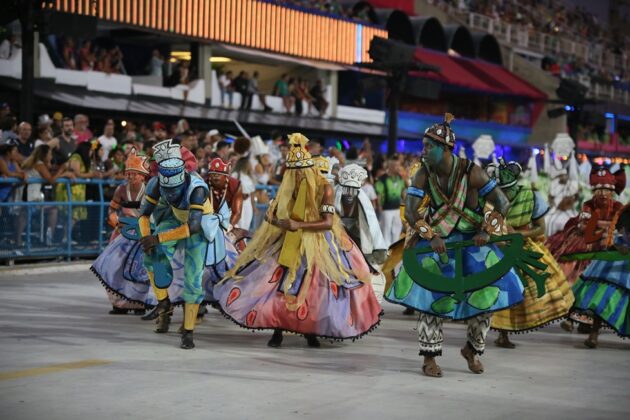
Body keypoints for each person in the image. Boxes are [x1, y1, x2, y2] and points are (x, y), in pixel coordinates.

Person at [384, 114, 525, 377]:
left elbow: (503, 203)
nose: (423, 151)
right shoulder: (423, 174)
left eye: (429, 147)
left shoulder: (473, 172)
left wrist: (485, 229)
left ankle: (472, 349)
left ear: (445, 149)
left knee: (487, 298)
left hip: (474, 242)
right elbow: (413, 214)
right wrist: (431, 237)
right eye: (423, 146)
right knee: (429, 298)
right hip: (438, 244)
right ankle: (429, 358)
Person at [214, 133, 383, 347]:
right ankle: (278, 328)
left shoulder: (325, 188)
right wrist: (274, 220)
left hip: (319, 243)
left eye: (299, 173)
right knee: (277, 284)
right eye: (292, 174)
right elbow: (281, 218)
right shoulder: (291, 188)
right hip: (289, 242)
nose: (295, 178)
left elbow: (328, 222)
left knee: (314, 288)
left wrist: (299, 225)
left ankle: (310, 331)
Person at [136, 139, 224, 349]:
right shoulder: (156, 183)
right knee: (151, 258)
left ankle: (188, 330)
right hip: (175, 216)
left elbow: (192, 227)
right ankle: (163, 304)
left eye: (175, 189)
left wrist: (156, 238)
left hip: (199, 223)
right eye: (168, 191)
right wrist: (147, 239)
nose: (171, 194)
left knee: (193, 279)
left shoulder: (197, 189)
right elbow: (144, 215)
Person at [486, 159, 574, 348]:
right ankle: (502, 333)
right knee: (501, 287)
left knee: (532, 286)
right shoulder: (492, 199)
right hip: (499, 246)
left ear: (515, 186)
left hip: (524, 246)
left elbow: (540, 229)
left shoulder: (531, 197)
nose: (504, 197)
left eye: (507, 192)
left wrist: (519, 233)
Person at [92, 148, 150, 315]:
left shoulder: (149, 191)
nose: (130, 177)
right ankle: (119, 303)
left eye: (134, 173)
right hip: (122, 234)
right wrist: (116, 221)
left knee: (140, 269)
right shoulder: (121, 190)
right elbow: (111, 210)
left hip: (142, 235)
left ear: (142, 175)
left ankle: (138, 303)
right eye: (128, 173)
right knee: (115, 267)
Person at [571, 204, 630, 348]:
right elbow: (616, 233)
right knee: (603, 295)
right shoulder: (626, 212)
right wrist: (618, 245)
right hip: (618, 259)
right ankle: (593, 334)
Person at [334, 164, 387, 265]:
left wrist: (378, 248)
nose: (350, 193)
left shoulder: (362, 199)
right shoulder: (334, 196)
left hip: (355, 230)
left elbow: (372, 223)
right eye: (347, 189)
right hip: (336, 231)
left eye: (353, 190)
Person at [375, 156, 405, 246]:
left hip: (398, 209)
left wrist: (404, 206)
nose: (398, 168)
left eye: (399, 165)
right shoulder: (382, 179)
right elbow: (379, 195)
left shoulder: (400, 178)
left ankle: (394, 249)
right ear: (390, 167)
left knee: (397, 230)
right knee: (386, 232)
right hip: (386, 210)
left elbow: (403, 193)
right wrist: (380, 208)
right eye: (396, 166)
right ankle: (386, 250)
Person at [545, 168, 579, 237]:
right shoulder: (554, 184)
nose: (563, 177)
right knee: (547, 220)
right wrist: (552, 204)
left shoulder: (572, 184)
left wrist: (570, 203)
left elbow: (576, 196)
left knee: (571, 222)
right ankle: (550, 239)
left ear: (567, 175)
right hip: (556, 208)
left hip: (568, 209)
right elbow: (550, 197)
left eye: (564, 175)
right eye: (561, 176)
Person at [232, 156, 256, 230]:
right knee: (237, 225)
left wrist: (253, 206)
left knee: (246, 225)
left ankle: (244, 241)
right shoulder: (235, 175)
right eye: (249, 163)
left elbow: (252, 194)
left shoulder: (249, 177)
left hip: (247, 203)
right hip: (237, 202)